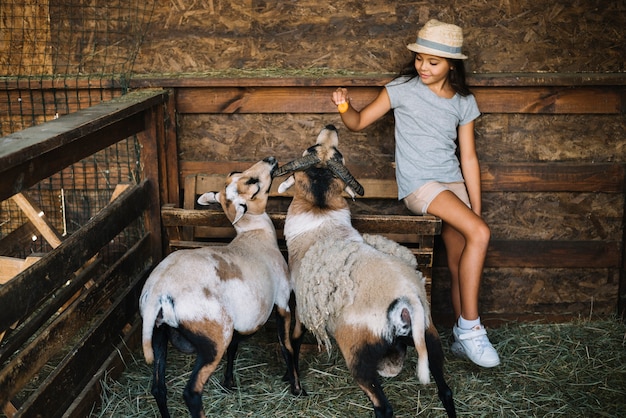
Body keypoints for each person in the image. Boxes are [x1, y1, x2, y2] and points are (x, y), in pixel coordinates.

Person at [331, 19, 500, 368]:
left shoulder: (463, 102)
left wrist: (475, 209)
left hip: (453, 184)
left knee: (460, 259)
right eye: (420, 59)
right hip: (421, 184)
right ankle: (472, 330)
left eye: (432, 62)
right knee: (481, 233)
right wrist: (345, 107)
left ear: (452, 64)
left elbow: (468, 158)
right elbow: (359, 123)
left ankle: (459, 337)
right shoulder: (402, 89)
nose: (423, 66)